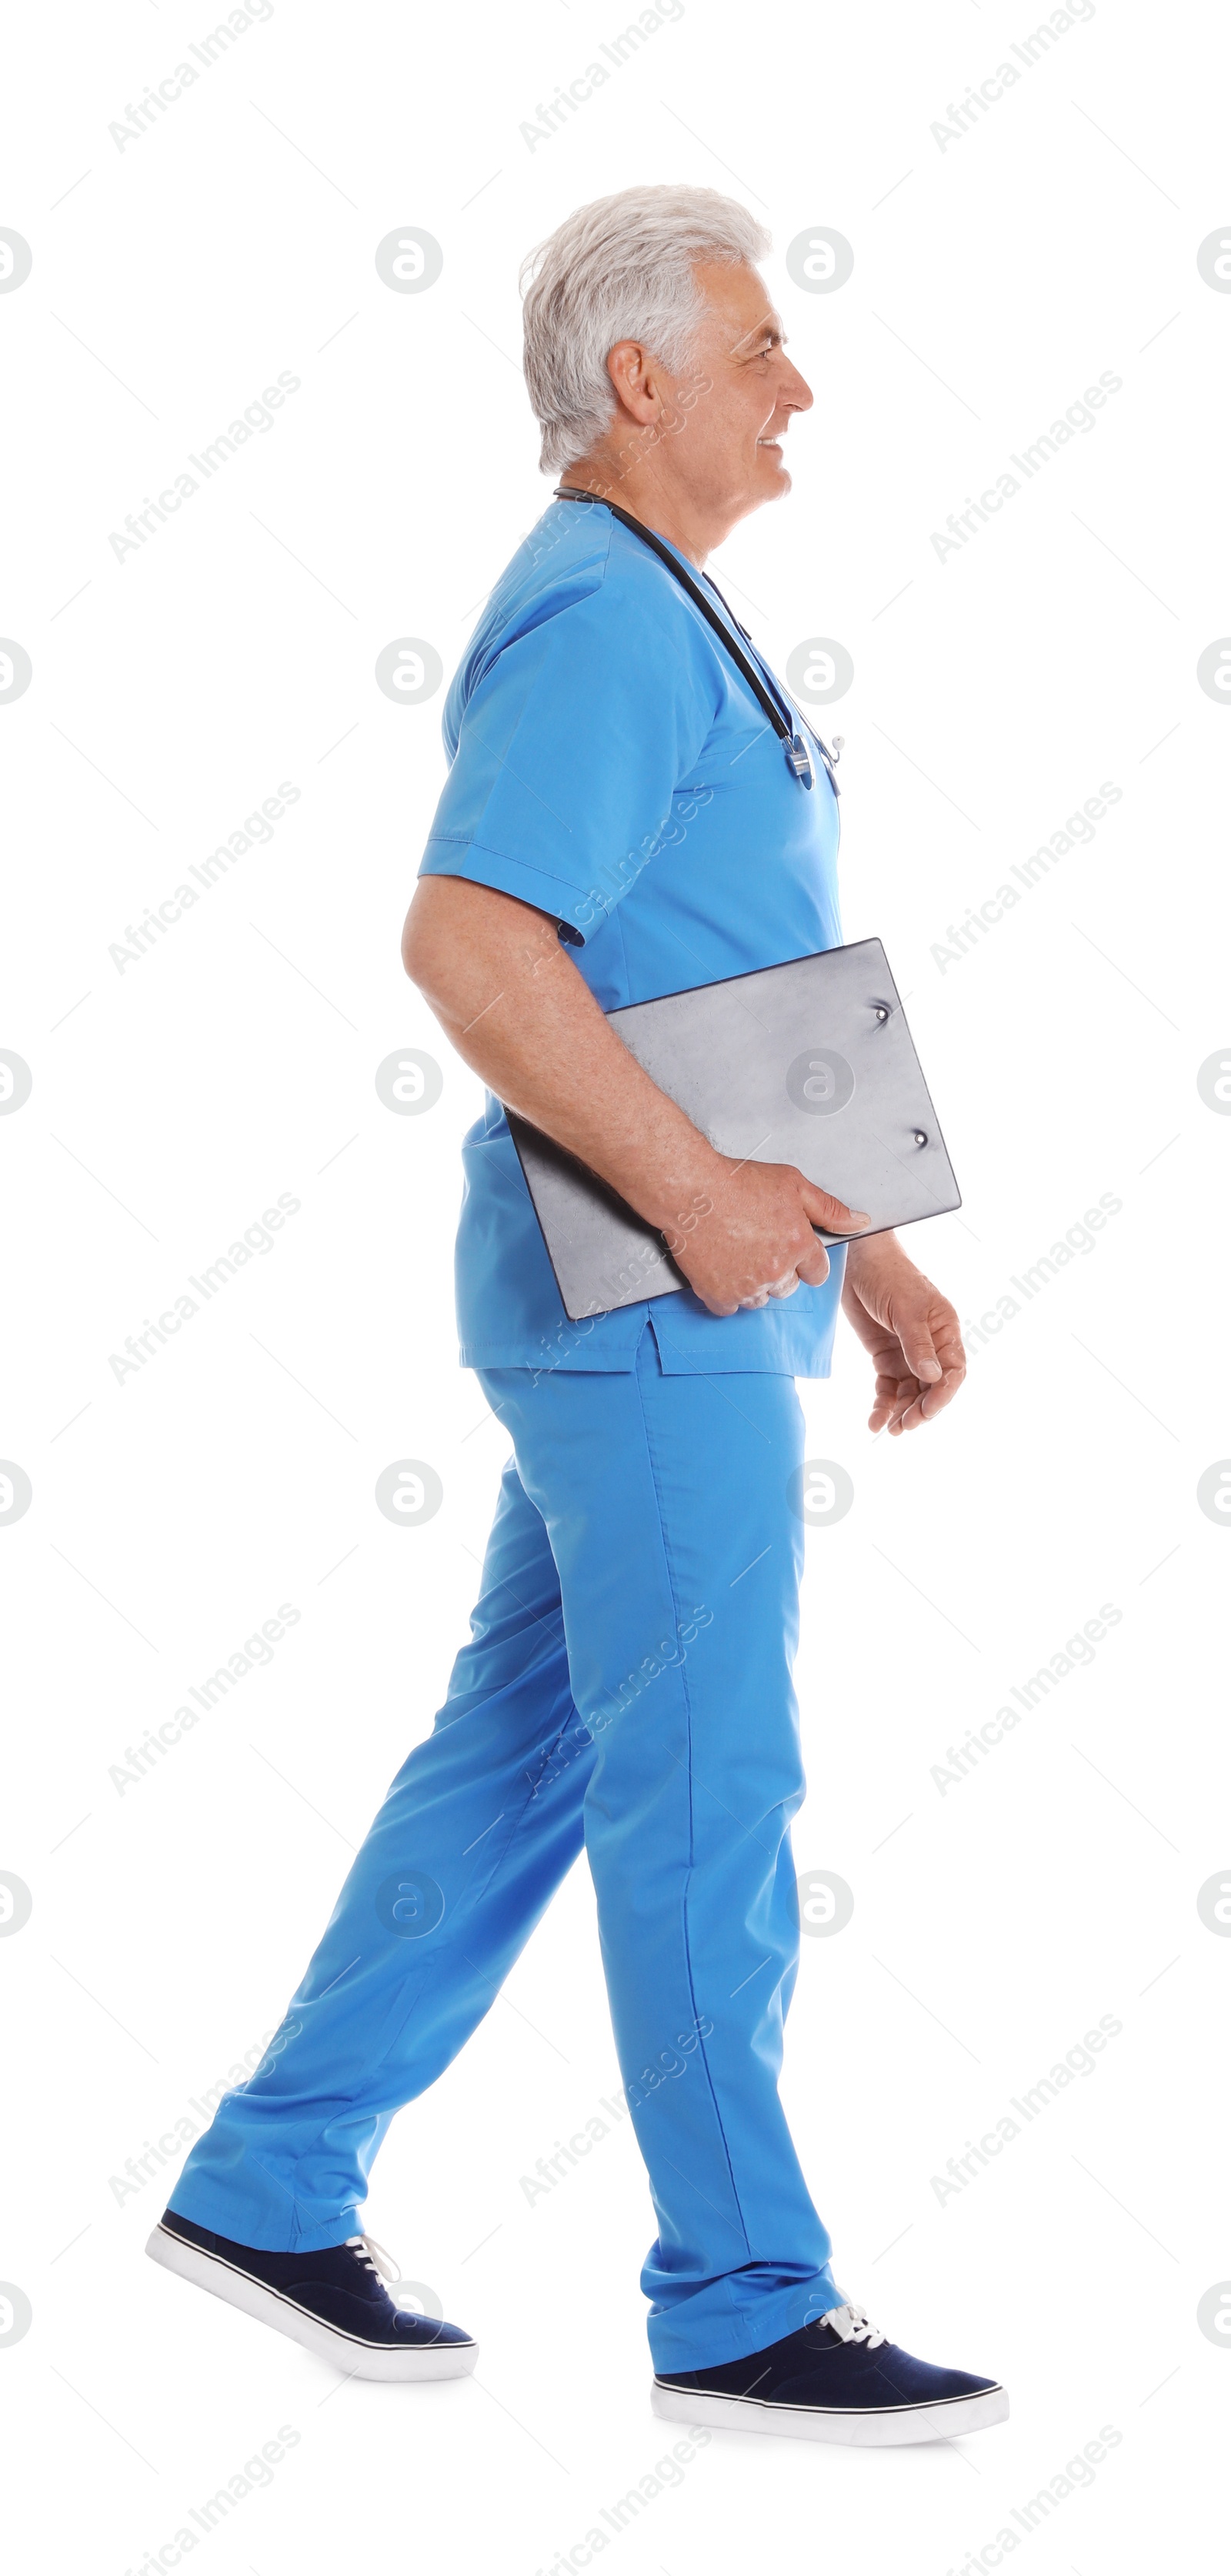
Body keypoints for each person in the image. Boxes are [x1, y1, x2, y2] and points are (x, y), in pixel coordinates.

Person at [148, 184, 1006, 2447]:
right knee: (709, 1775)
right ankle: (740, 2297)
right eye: (760, 347)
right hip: (637, 1302)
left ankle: (266, 2176)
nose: (794, 383)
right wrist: (721, 1198)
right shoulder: (607, 620)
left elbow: (701, 967)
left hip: (678, 1292)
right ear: (641, 380)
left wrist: (859, 1238)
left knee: (526, 1755)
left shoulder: (665, 606)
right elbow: (474, 943)